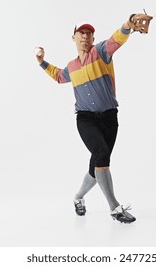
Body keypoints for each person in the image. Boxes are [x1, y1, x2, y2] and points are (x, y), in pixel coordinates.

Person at [35, 16, 138, 223]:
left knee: (97, 165)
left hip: (109, 117)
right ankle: (115, 208)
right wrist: (41, 62)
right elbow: (58, 76)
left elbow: (116, 39)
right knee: (101, 155)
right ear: (73, 37)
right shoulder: (71, 67)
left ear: (93, 38)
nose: (85, 36)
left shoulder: (100, 52)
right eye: (81, 33)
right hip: (85, 119)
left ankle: (78, 197)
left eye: (89, 33)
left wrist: (129, 23)